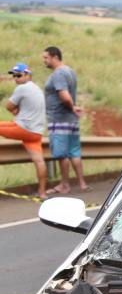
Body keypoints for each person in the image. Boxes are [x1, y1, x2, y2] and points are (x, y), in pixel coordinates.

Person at [41, 46, 88, 194]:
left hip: (59, 118)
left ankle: (64, 185)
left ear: (55, 57)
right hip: (71, 120)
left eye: (46, 58)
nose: (44, 61)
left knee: (62, 154)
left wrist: (72, 107)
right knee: (74, 152)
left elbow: (64, 95)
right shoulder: (70, 71)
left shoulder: (58, 74)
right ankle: (82, 184)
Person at [0, 63, 48, 199]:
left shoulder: (22, 88)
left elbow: (8, 106)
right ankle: (42, 193)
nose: (16, 78)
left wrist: (17, 113)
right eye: (14, 75)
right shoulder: (37, 89)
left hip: (24, 129)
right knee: (39, 161)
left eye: (19, 75)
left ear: (28, 75)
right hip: (36, 133)